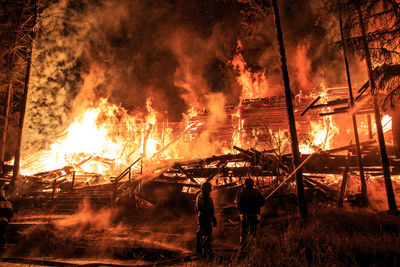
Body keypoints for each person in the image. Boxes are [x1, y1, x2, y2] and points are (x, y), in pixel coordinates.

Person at [237, 178, 265, 247]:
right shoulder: (256, 192)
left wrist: (240, 213)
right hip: (254, 214)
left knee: (244, 229)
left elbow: (239, 204)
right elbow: (262, 202)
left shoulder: (241, 193)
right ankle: (253, 244)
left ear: (245, 184)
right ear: (252, 184)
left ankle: (243, 244)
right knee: (253, 230)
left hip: (244, 214)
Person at [195, 181, 217, 258]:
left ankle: (200, 250)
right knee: (207, 233)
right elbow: (208, 209)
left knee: (202, 232)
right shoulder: (205, 197)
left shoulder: (200, 196)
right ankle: (207, 250)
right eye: (209, 188)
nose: (211, 190)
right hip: (205, 217)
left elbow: (197, 209)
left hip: (202, 216)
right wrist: (212, 217)